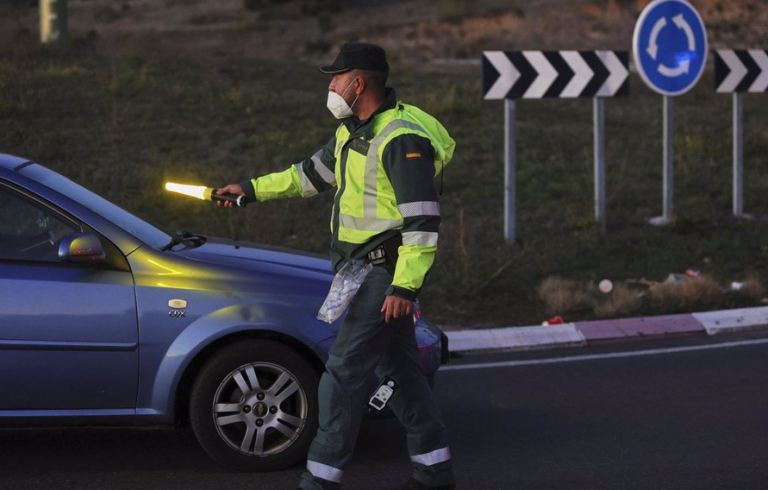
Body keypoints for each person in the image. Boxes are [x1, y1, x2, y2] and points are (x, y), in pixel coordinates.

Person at [216, 42, 456, 490]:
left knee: (341, 375)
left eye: (336, 77)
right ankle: (436, 472)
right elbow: (307, 175)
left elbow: (424, 221)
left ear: (358, 83)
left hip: (383, 276)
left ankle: (320, 481)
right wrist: (249, 189)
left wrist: (404, 288)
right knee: (401, 373)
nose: (330, 85)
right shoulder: (354, 132)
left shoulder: (400, 137)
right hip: (361, 271)